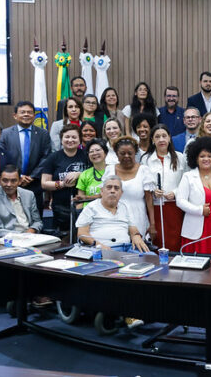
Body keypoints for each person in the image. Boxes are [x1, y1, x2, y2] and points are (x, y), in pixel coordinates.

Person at [75, 175, 149, 329]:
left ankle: (151, 307)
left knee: (153, 262)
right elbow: (81, 233)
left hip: (127, 248)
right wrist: (99, 244)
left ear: (121, 193)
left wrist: (136, 235)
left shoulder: (124, 207)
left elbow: (132, 227)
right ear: (102, 191)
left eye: (116, 188)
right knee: (127, 273)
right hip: (104, 251)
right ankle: (130, 313)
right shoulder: (91, 207)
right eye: (109, 187)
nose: (113, 191)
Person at [140, 124, 187, 252]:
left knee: (174, 240)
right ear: (152, 140)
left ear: (169, 138)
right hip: (155, 207)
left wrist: (175, 192)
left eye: (164, 136)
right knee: (158, 240)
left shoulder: (179, 157)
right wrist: (153, 191)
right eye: (157, 137)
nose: (161, 139)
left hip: (175, 207)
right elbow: (143, 183)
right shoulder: (146, 159)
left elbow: (185, 181)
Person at [0, 101, 51, 215]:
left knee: (35, 217)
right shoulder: (5, 134)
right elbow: (2, 157)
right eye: (22, 112)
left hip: (35, 184)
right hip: (11, 184)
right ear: (15, 115)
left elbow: (46, 157)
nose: (26, 114)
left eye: (29, 112)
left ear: (34, 115)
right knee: (12, 218)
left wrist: (32, 176)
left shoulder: (43, 134)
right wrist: (18, 176)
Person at [102, 137, 156, 239]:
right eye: (122, 153)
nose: (126, 156)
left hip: (138, 217)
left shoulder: (144, 170)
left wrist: (152, 224)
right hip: (114, 217)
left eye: (130, 153)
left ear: (135, 153)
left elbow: (149, 200)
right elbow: (103, 195)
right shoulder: (110, 170)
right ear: (116, 154)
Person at [41, 124, 88, 232]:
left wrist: (79, 174)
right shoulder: (53, 157)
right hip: (60, 207)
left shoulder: (86, 155)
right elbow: (44, 183)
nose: (70, 140)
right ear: (61, 139)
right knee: (64, 236)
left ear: (80, 140)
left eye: (74, 137)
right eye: (67, 137)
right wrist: (63, 184)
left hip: (83, 204)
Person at [0, 164, 43, 237]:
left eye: (13, 181)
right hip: (8, 239)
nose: (9, 184)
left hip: (30, 236)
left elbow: (37, 222)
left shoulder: (29, 195)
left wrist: (31, 230)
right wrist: (21, 236)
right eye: (5, 180)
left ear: (20, 181)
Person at [76, 139, 108, 205]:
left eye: (98, 150)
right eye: (91, 151)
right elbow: (80, 201)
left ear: (106, 153)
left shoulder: (114, 171)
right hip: (88, 210)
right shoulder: (85, 174)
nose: (94, 153)